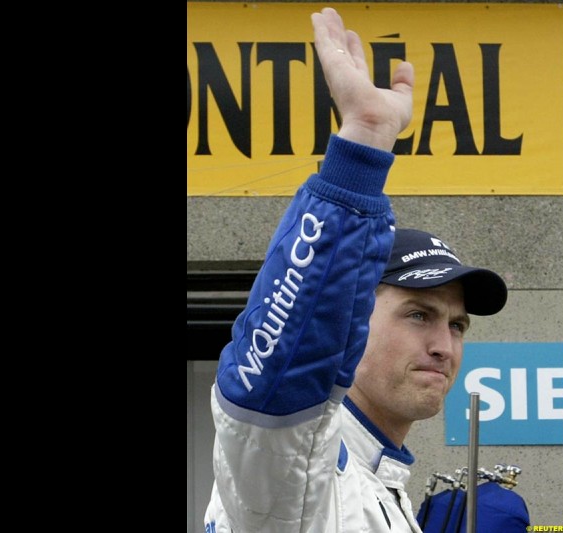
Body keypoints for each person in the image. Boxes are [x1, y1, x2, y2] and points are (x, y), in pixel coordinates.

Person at [203, 7, 508, 533]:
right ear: (351, 325)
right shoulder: (298, 469)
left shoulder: (378, 482)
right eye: (418, 314)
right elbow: (278, 381)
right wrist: (362, 146)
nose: (444, 345)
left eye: (456, 325)